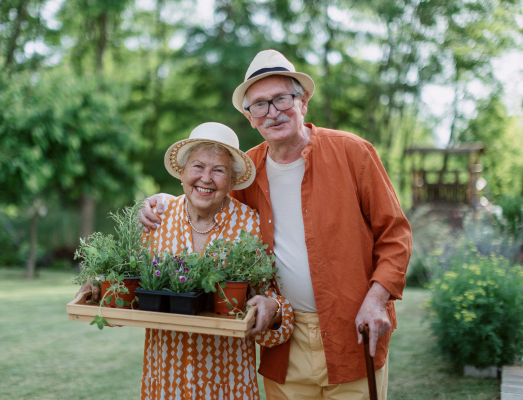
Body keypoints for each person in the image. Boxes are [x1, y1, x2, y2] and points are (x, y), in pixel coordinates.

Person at [140, 51, 413, 400]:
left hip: (350, 333)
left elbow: (396, 235)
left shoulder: (353, 153)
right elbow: (207, 200)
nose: (272, 112)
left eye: (281, 98)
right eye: (260, 105)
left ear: (303, 102)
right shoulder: (244, 173)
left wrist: (377, 299)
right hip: (281, 341)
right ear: (250, 118)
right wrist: (165, 199)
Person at [139, 122, 294, 399]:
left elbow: (277, 300)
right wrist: (98, 286)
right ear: (183, 173)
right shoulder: (158, 219)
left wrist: (272, 308)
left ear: (232, 181)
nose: (206, 178)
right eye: (197, 167)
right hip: (165, 378)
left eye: (219, 170)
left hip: (226, 379)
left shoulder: (252, 225)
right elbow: (132, 286)